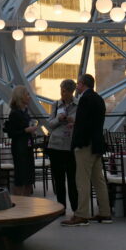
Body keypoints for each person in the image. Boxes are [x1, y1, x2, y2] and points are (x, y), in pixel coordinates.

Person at [62, 74, 111, 226]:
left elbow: (83, 124)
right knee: (99, 180)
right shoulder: (98, 99)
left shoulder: (84, 99)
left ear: (82, 84)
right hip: (96, 144)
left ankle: (81, 215)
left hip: (85, 145)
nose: (77, 86)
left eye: (78, 84)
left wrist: (76, 136)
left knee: (82, 180)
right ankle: (105, 212)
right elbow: (92, 122)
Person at [46, 79, 78, 211]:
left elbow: (82, 121)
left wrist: (73, 121)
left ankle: (76, 208)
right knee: (59, 179)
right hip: (56, 146)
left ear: (71, 92)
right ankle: (61, 207)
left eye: (64, 91)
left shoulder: (78, 105)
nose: (62, 93)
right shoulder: (55, 105)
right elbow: (50, 124)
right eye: (61, 90)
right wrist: (58, 119)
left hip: (71, 145)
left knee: (72, 179)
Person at [4, 85, 37, 196]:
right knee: (21, 175)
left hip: (27, 146)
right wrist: (26, 130)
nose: (29, 97)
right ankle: (20, 201)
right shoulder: (15, 113)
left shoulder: (24, 112)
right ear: (21, 96)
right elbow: (11, 133)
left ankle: (27, 199)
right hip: (19, 148)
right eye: (27, 94)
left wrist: (30, 130)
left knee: (28, 176)